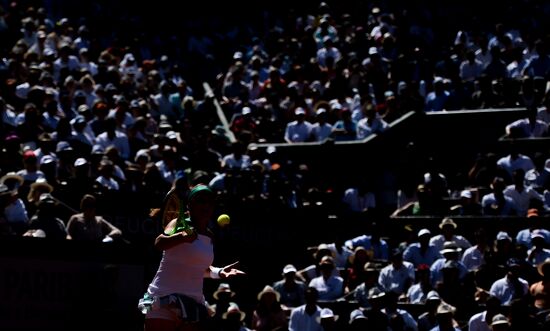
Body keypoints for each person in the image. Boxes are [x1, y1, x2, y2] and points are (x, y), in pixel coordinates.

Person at [138, 184, 245, 331]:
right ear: (189, 205)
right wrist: (181, 237)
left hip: (192, 304)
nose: (205, 205)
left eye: (209, 202)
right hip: (163, 298)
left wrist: (219, 272)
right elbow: (159, 243)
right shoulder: (177, 224)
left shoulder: (209, 236)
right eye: (200, 200)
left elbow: (198, 268)